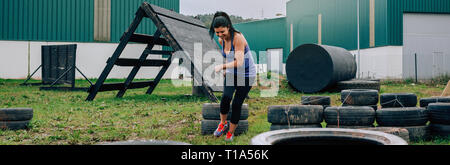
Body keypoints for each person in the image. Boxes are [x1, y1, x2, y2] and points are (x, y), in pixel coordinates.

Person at [209, 11, 257, 142]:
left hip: (247, 75)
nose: (220, 35)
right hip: (232, 73)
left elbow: (240, 62)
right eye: (217, 32)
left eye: (222, 32)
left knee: (236, 104)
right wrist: (227, 69)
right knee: (226, 97)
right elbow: (230, 56)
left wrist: (222, 67)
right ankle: (223, 124)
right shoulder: (221, 40)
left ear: (228, 27)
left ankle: (230, 133)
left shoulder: (238, 38)